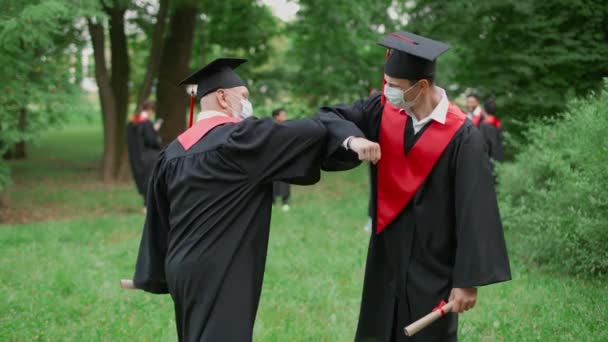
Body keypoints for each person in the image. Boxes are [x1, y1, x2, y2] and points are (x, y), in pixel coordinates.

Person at [130, 58, 380, 341]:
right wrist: (349, 139)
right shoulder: (240, 140)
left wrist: (152, 274)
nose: (247, 104)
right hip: (221, 272)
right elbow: (313, 131)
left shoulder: (173, 152)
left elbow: (159, 217)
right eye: (244, 96)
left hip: (181, 270)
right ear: (223, 97)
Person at [316, 32, 511, 341]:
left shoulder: (463, 136)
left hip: (433, 265)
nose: (387, 91)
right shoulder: (382, 112)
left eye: (394, 86)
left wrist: (467, 281)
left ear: (421, 86)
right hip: (386, 256)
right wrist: (354, 139)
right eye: (386, 83)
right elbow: (329, 117)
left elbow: (475, 209)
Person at [126, 99, 162, 208]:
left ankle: (147, 205)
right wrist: (155, 130)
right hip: (148, 157)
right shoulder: (146, 123)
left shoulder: (132, 122)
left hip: (136, 156)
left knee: (142, 180)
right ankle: (148, 206)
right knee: (149, 181)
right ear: (151, 110)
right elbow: (152, 141)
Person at [271, 108, 291, 212]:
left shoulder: (287, 128)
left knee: (285, 180)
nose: (285, 117)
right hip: (273, 160)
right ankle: (272, 202)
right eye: (283, 115)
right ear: (276, 116)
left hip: (285, 158)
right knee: (272, 181)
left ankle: (285, 202)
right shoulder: (270, 128)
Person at [479, 98, 505, 163]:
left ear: (484, 110)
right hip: (498, 160)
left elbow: (483, 145)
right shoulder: (498, 123)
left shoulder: (484, 125)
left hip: (488, 161)